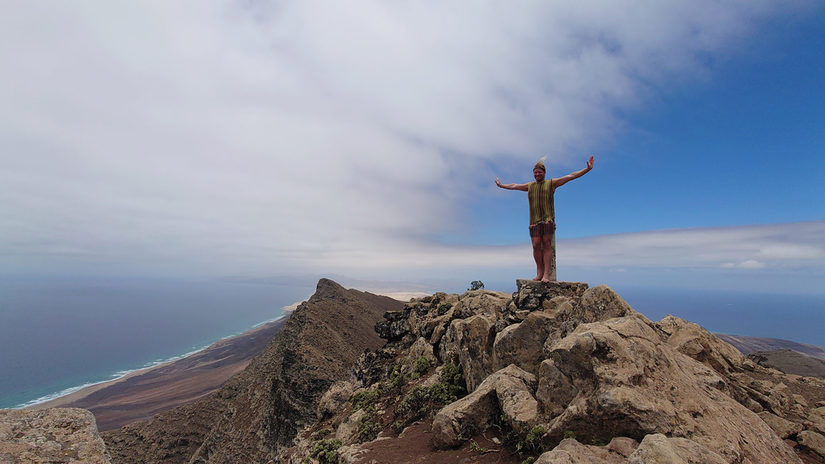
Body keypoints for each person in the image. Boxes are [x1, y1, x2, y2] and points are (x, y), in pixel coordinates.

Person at [495, 155, 594, 282]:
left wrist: (587, 169)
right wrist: (502, 186)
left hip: (548, 220)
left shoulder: (552, 183)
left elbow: (571, 176)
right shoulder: (530, 186)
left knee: (547, 245)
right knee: (536, 246)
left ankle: (546, 274)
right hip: (534, 221)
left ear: (544, 173)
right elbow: (515, 185)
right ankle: (539, 273)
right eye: (535, 172)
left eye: (539, 172)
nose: (537, 174)